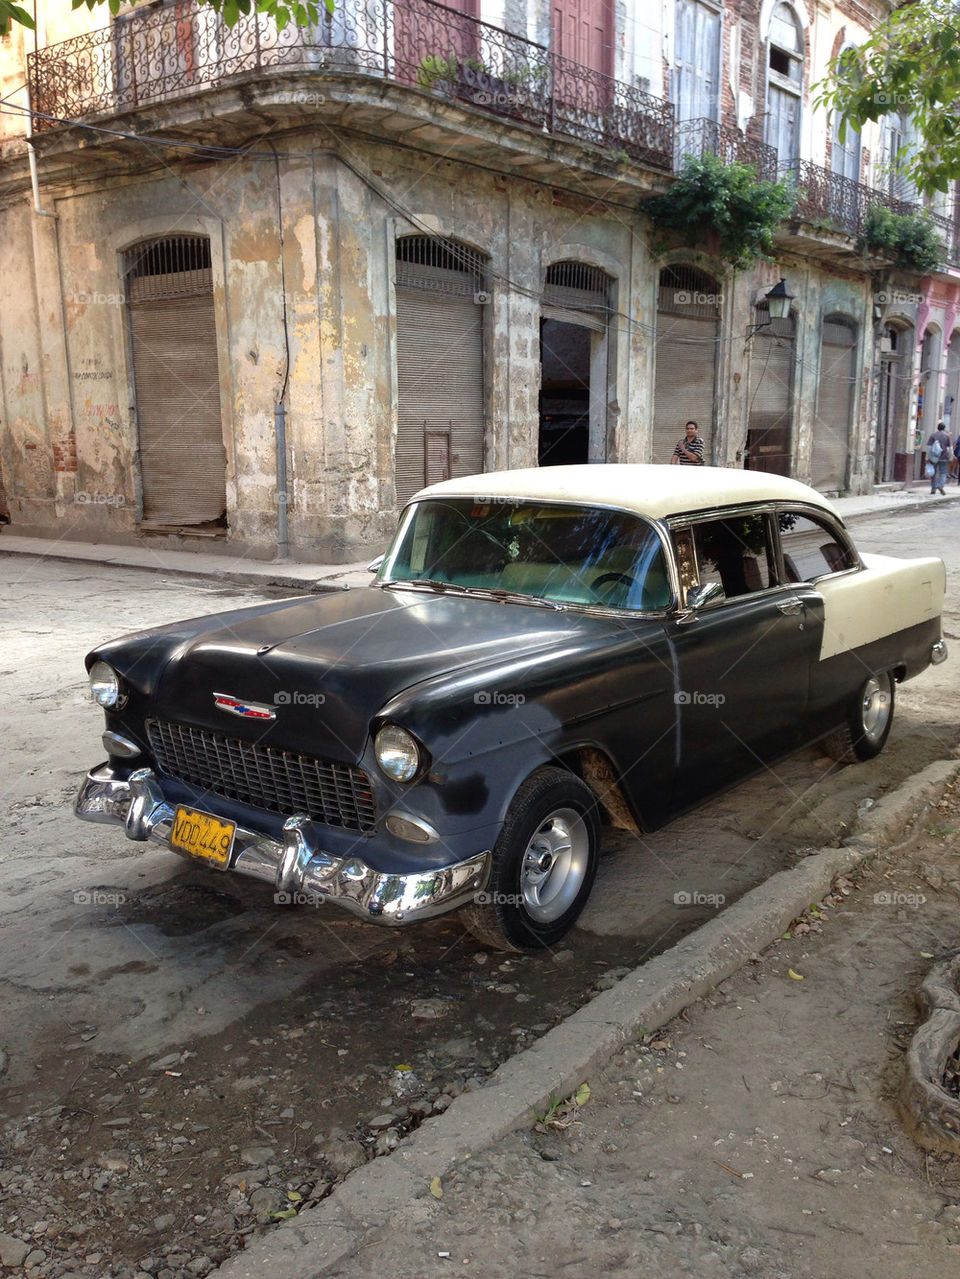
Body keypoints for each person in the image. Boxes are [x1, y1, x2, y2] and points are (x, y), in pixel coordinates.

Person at [927, 421, 953, 495]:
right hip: (943, 457)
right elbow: (950, 448)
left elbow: (929, 447)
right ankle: (940, 485)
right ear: (944, 428)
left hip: (934, 457)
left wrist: (927, 457)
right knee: (943, 472)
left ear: (937, 428)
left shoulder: (933, 435)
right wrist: (950, 457)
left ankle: (933, 489)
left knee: (933, 473)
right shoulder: (947, 436)